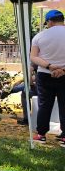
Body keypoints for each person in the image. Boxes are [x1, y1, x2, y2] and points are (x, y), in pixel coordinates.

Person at [30, 9, 65, 144]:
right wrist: (62, 69)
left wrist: (50, 66)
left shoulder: (40, 36)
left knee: (44, 105)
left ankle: (41, 134)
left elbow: (33, 57)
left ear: (49, 21)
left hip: (45, 74)